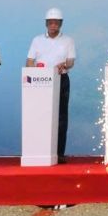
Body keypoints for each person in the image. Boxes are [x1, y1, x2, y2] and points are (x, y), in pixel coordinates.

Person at [26, 8, 76, 163]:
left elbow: (71, 61)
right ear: (46, 23)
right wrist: (34, 71)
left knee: (61, 116)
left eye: (56, 23)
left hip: (61, 79)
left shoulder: (68, 40)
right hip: (39, 82)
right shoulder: (37, 40)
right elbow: (29, 61)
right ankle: (39, 151)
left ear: (61, 24)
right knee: (40, 115)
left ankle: (58, 153)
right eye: (50, 22)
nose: (53, 25)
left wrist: (64, 64)